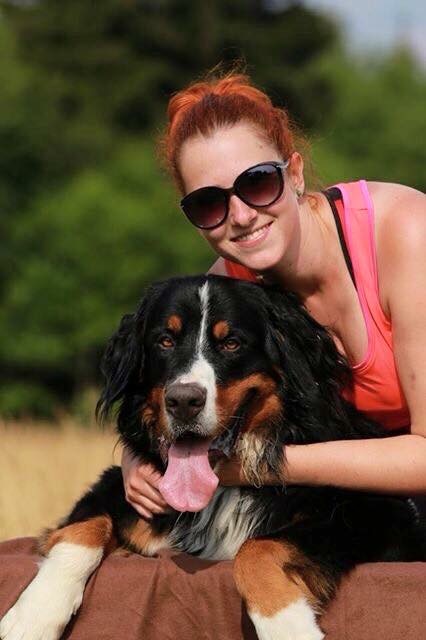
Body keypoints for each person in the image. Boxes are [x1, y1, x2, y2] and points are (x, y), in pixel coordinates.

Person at [121, 72, 426, 520]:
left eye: (258, 182)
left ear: (295, 173)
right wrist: (138, 461)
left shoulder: (408, 234)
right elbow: (152, 386)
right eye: (209, 203)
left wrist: (262, 466)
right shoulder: (230, 286)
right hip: (376, 498)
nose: (241, 216)